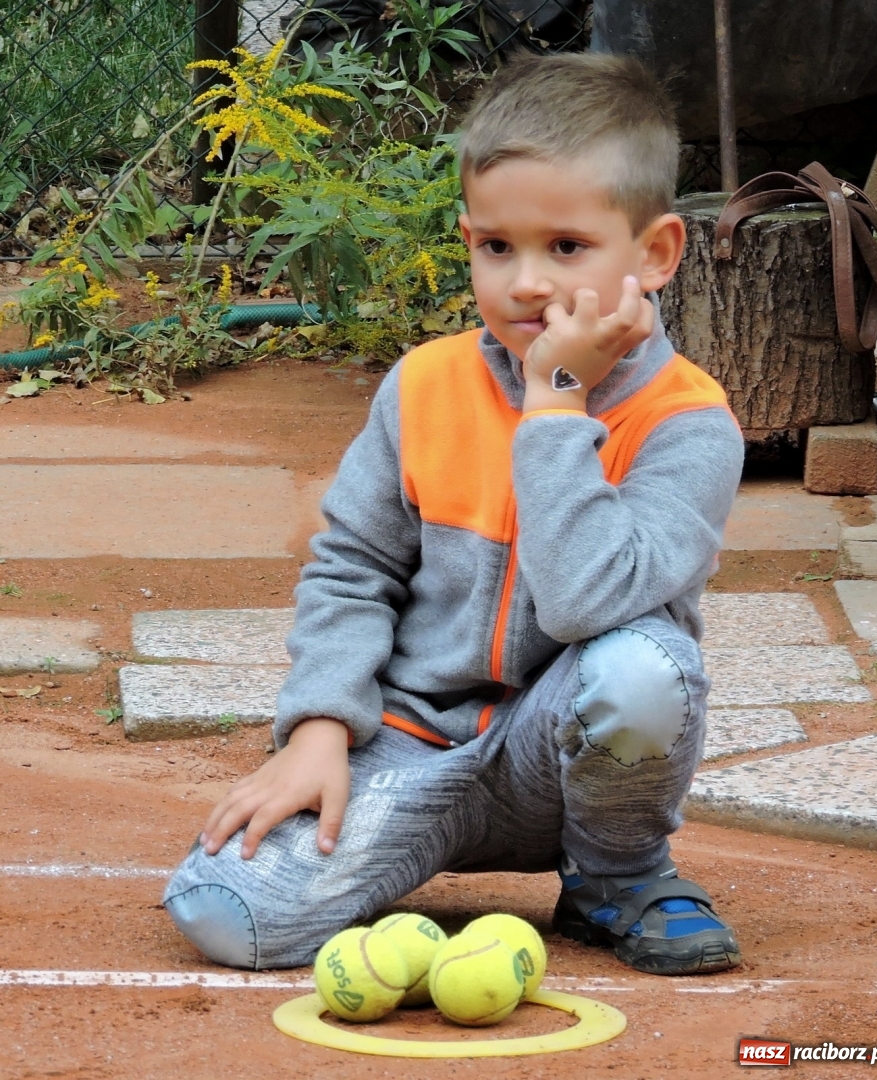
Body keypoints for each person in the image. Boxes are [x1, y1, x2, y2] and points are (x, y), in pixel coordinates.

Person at [164, 51, 745, 977]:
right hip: (411, 749)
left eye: (566, 247)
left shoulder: (689, 425)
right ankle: (405, 860)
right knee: (225, 915)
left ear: (657, 253)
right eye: (496, 247)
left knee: (645, 667)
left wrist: (556, 404)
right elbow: (353, 568)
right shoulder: (423, 386)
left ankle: (615, 877)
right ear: (469, 237)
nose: (525, 284)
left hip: (563, 765)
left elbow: (588, 605)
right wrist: (320, 729)